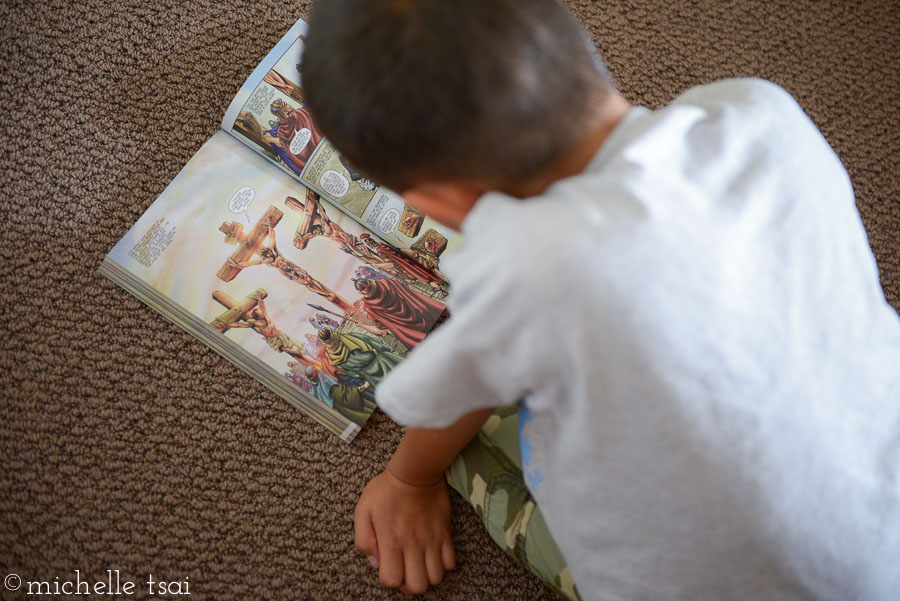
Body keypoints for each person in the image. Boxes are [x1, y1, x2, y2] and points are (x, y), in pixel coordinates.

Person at [299, 1, 900, 599]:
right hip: (881, 513)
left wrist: (407, 480)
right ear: (580, 48)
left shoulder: (530, 272)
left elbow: (440, 404)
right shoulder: (761, 109)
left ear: (441, 203)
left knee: (472, 437)